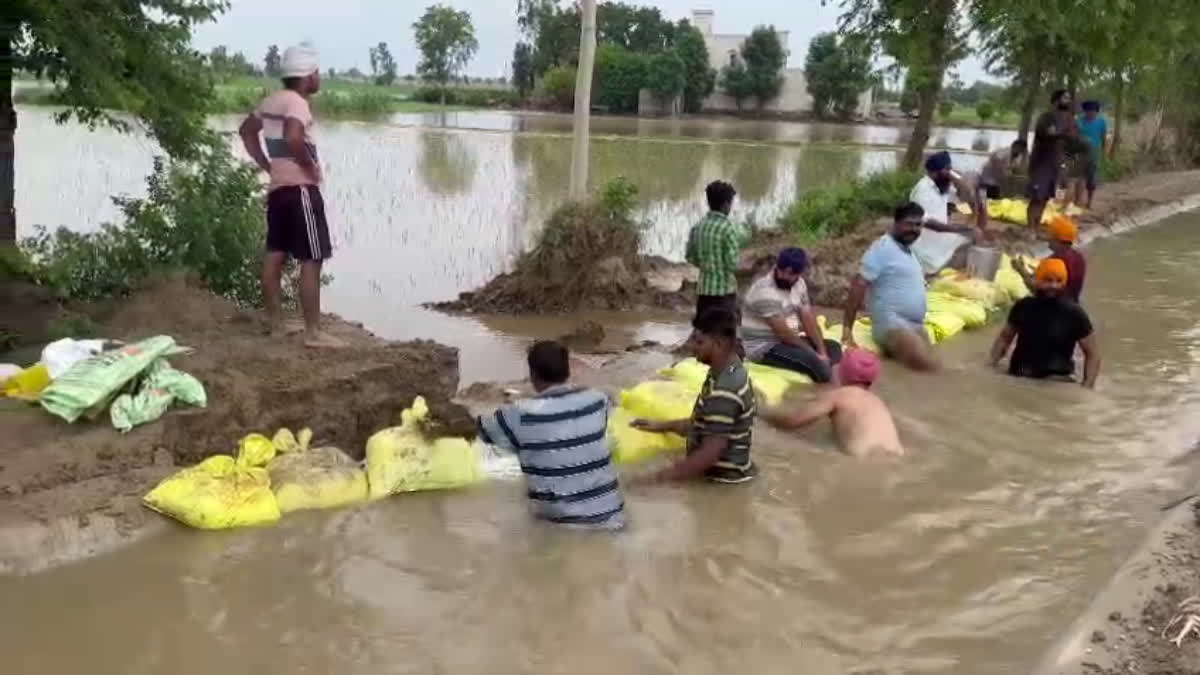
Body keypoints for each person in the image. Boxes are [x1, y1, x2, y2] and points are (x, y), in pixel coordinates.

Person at [238, 44, 343, 348]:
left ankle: (276, 325)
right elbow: (294, 136)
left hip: (278, 191)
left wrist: (267, 165)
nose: (319, 77)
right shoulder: (297, 103)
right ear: (306, 76)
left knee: (275, 256)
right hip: (300, 191)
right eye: (316, 73)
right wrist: (308, 167)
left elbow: (246, 131)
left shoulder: (271, 100)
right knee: (312, 258)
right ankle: (313, 332)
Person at [476, 341, 626, 529]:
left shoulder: (515, 415)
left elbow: (479, 431)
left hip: (559, 525)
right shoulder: (597, 401)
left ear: (532, 375)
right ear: (568, 371)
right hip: (612, 516)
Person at [631, 308, 757, 483]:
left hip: (723, 484)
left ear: (718, 344)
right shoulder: (725, 371)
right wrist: (661, 425)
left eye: (698, 342)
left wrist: (654, 479)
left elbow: (709, 455)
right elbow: (702, 425)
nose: (690, 347)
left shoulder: (725, 390)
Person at [843, 202, 938, 372]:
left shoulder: (907, 251)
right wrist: (847, 330)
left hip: (914, 325)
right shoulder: (883, 248)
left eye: (918, 225)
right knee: (927, 369)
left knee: (935, 363)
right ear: (896, 223)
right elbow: (859, 284)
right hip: (892, 324)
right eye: (909, 224)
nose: (914, 229)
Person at [762, 350, 904, 458]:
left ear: (841, 375)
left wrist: (763, 412)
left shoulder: (839, 396)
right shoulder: (878, 402)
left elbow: (792, 421)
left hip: (865, 461)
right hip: (896, 456)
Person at [989, 259, 1100, 388]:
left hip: (1057, 383)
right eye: (1048, 280)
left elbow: (1093, 353)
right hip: (1019, 377)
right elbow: (1005, 338)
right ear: (1038, 281)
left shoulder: (1074, 314)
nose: (1053, 285)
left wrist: (1087, 386)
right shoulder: (1023, 306)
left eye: (1059, 281)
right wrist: (991, 366)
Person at [741, 247, 842, 382]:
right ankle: (823, 369)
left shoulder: (800, 284)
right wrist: (814, 354)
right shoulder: (765, 291)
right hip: (765, 347)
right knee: (821, 368)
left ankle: (823, 365)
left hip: (787, 341)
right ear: (777, 266)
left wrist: (822, 350)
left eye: (790, 274)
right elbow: (783, 334)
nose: (784, 276)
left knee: (834, 347)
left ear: (800, 273)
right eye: (781, 271)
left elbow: (808, 319)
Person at [685, 180, 750, 321]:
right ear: (726, 204)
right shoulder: (729, 228)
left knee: (705, 334)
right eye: (731, 204)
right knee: (725, 337)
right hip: (724, 293)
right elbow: (732, 263)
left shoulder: (698, 227)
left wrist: (706, 264)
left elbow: (690, 257)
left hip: (704, 292)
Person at [909, 150, 980, 274]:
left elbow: (967, 196)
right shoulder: (923, 190)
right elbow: (930, 224)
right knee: (971, 235)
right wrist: (962, 228)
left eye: (950, 169)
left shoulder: (942, 187)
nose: (950, 173)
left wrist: (957, 179)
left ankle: (956, 269)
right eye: (947, 170)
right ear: (936, 172)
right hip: (926, 244)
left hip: (940, 237)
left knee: (975, 235)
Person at [1027, 89, 1077, 230]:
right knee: (1037, 197)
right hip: (1041, 162)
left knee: (1045, 197)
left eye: (1069, 98)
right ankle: (1030, 228)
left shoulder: (1069, 119)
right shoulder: (1047, 117)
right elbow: (1051, 135)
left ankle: (1036, 227)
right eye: (1065, 98)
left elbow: (1072, 139)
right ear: (1056, 101)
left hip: (1055, 162)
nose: (1068, 101)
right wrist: (1066, 133)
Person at [1020, 215, 1086, 302]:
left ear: (1057, 239)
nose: (1048, 239)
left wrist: (1021, 270)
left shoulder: (1056, 261)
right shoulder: (1078, 257)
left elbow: (1037, 290)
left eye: (1050, 235)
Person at [1075, 101, 1108, 209]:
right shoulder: (1079, 121)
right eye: (1089, 111)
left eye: (1093, 111)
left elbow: (1103, 138)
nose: (1091, 113)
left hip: (1094, 152)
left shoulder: (1101, 122)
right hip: (1080, 152)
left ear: (1096, 112)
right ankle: (1077, 200)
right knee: (1078, 177)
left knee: (1092, 178)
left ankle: (1089, 202)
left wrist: (1105, 152)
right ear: (1085, 112)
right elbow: (1075, 136)